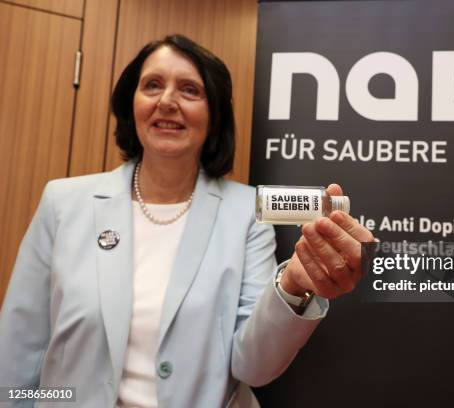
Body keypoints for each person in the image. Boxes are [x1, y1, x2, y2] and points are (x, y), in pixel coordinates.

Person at [0, 34, 374, 407]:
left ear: (213, 116)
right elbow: (19, 350)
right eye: (152, 85)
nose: (166, 101)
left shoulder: (246, 214)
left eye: (189, 90)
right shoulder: (63, 203)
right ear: (131, 104)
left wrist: (292, 287)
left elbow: (252, 367)